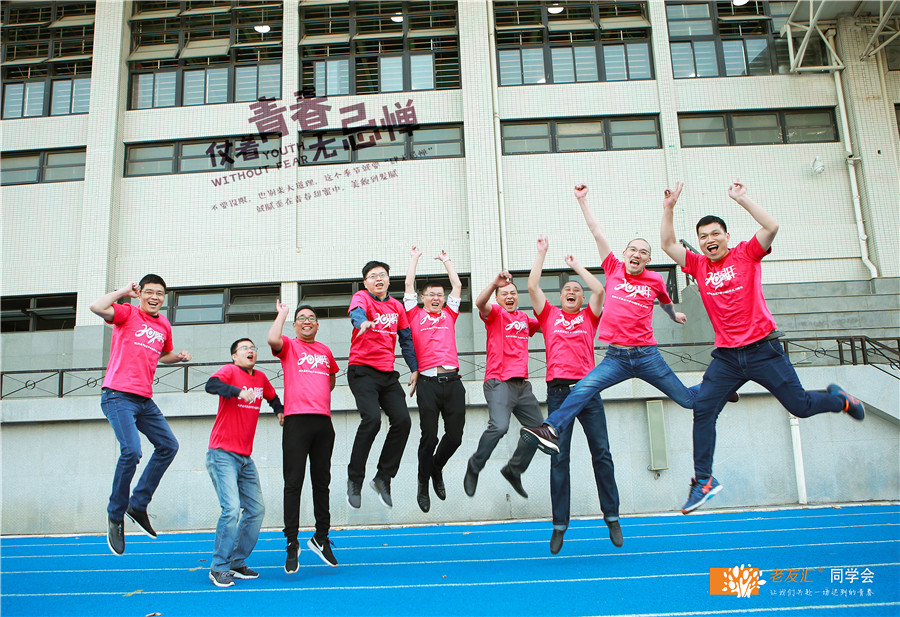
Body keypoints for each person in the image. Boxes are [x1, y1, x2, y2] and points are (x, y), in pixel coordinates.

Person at [660, 179, 866, 514]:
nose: (710, 240)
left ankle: (841, 400)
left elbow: (771, 226)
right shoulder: (698, 265)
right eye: (703, 236)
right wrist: (668, 207)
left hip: (762, 350)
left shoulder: (746, 253)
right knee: (703, 410)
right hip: (727, 357)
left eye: (715, 234)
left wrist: (743, 198)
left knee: (800, 406)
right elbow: (668, 243)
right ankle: (704, 481)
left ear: (726, 236)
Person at [522, 184, 728, 456]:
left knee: (687, 400)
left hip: (647, 356)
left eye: (643, 252)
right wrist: (582, 200)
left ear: (648, 259)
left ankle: (720, 388)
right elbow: (597, 232)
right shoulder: (613, 268)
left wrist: (673, 314)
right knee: (582, 388)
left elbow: (665, 301)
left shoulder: (655, 280)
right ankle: (550, 429)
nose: (636, 254)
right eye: (632, 249)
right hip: (616, 357)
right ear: (624, 254)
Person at [528, 236, 622, 554]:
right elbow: (532, 287)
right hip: (558, 393)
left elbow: (600, 291)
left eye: (576, 290)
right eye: (567, 289)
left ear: (581, 299)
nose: (571, 291)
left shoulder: (588, 317)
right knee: (559, 458)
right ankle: (559, 525)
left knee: (602, 453)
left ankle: (611, 516)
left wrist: (576, 266)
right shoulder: (549, 316)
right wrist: (541, 253)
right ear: (560, 297)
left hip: (587, 391)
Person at [90, 274, 191, 556]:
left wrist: (177, 357)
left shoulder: (164, 325)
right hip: (117, 395)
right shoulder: (127, 313)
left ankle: (138, 504)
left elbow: (163, 354)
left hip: (144, 400)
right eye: (149, 292)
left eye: (159, 293)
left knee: (169, 445)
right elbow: (96, 307)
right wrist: (123, 291)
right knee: (132, 451)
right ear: (141, 294)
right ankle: (116, 514)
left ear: (164, 298)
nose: (154, 297)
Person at [204, 338, 283, 587]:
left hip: (245, 458)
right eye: (244, 348)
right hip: (222, 454)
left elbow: (272, 397)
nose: (250, 351)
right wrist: (238, 391)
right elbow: (211, 385)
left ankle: (236, 562)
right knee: (231, 508)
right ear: (234, 356)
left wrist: (280, 411)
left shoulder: (260, 378)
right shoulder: (229, 371)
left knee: (256, 510)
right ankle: (218, 567)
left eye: (253, 348)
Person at [268, 303, 340, 571]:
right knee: (293, 483)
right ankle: (291, 542)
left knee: (322, 482)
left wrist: (316, 394)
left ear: (317, 325)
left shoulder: (325, 350)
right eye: (302, 318)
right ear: (295, 325)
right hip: (296, 421)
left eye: (311, 318)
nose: (307, 321)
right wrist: (283, 314)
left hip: (323, 422)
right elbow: (272, 339)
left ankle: (321, 537)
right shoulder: (289, 345)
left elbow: (331, 378)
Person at [465, 271, 543, 499]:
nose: (509, 297)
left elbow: (548, 322)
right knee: (499, 427)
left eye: (513, 293)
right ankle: (474, 466)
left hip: (522, 386)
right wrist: (493, 283)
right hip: (498, 381)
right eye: (504, 294)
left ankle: (513, 469)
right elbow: (480, 303)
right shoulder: (496, 314)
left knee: (538, 430)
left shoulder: (524, 319)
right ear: (498, 299)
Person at [347, 261, 419, 509]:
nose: (378, 279)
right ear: (365, 282)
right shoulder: (362, 298)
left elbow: (406, 339)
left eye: (382, 275)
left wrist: (414, 368)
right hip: (362, 370)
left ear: (388, 279)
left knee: (403, 421)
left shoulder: (396, 306)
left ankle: (383, 478)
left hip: (387, 375)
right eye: (372, 276)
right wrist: (362, 323)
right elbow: (356, 313)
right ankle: (355, 480)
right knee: (372, 420)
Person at [404, 247, 466, 513]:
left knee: (455, 437)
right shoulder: (414, 315)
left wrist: (446, 260)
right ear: (422, 298)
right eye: (431, 295)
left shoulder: (449, 314)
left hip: (453, 383)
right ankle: (422, 483)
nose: (436, 298)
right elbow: (408, 285)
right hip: (428, 384)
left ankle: (435, 468)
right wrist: (414, 258)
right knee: (429, 437)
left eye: (440, 295)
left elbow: (458, 285)